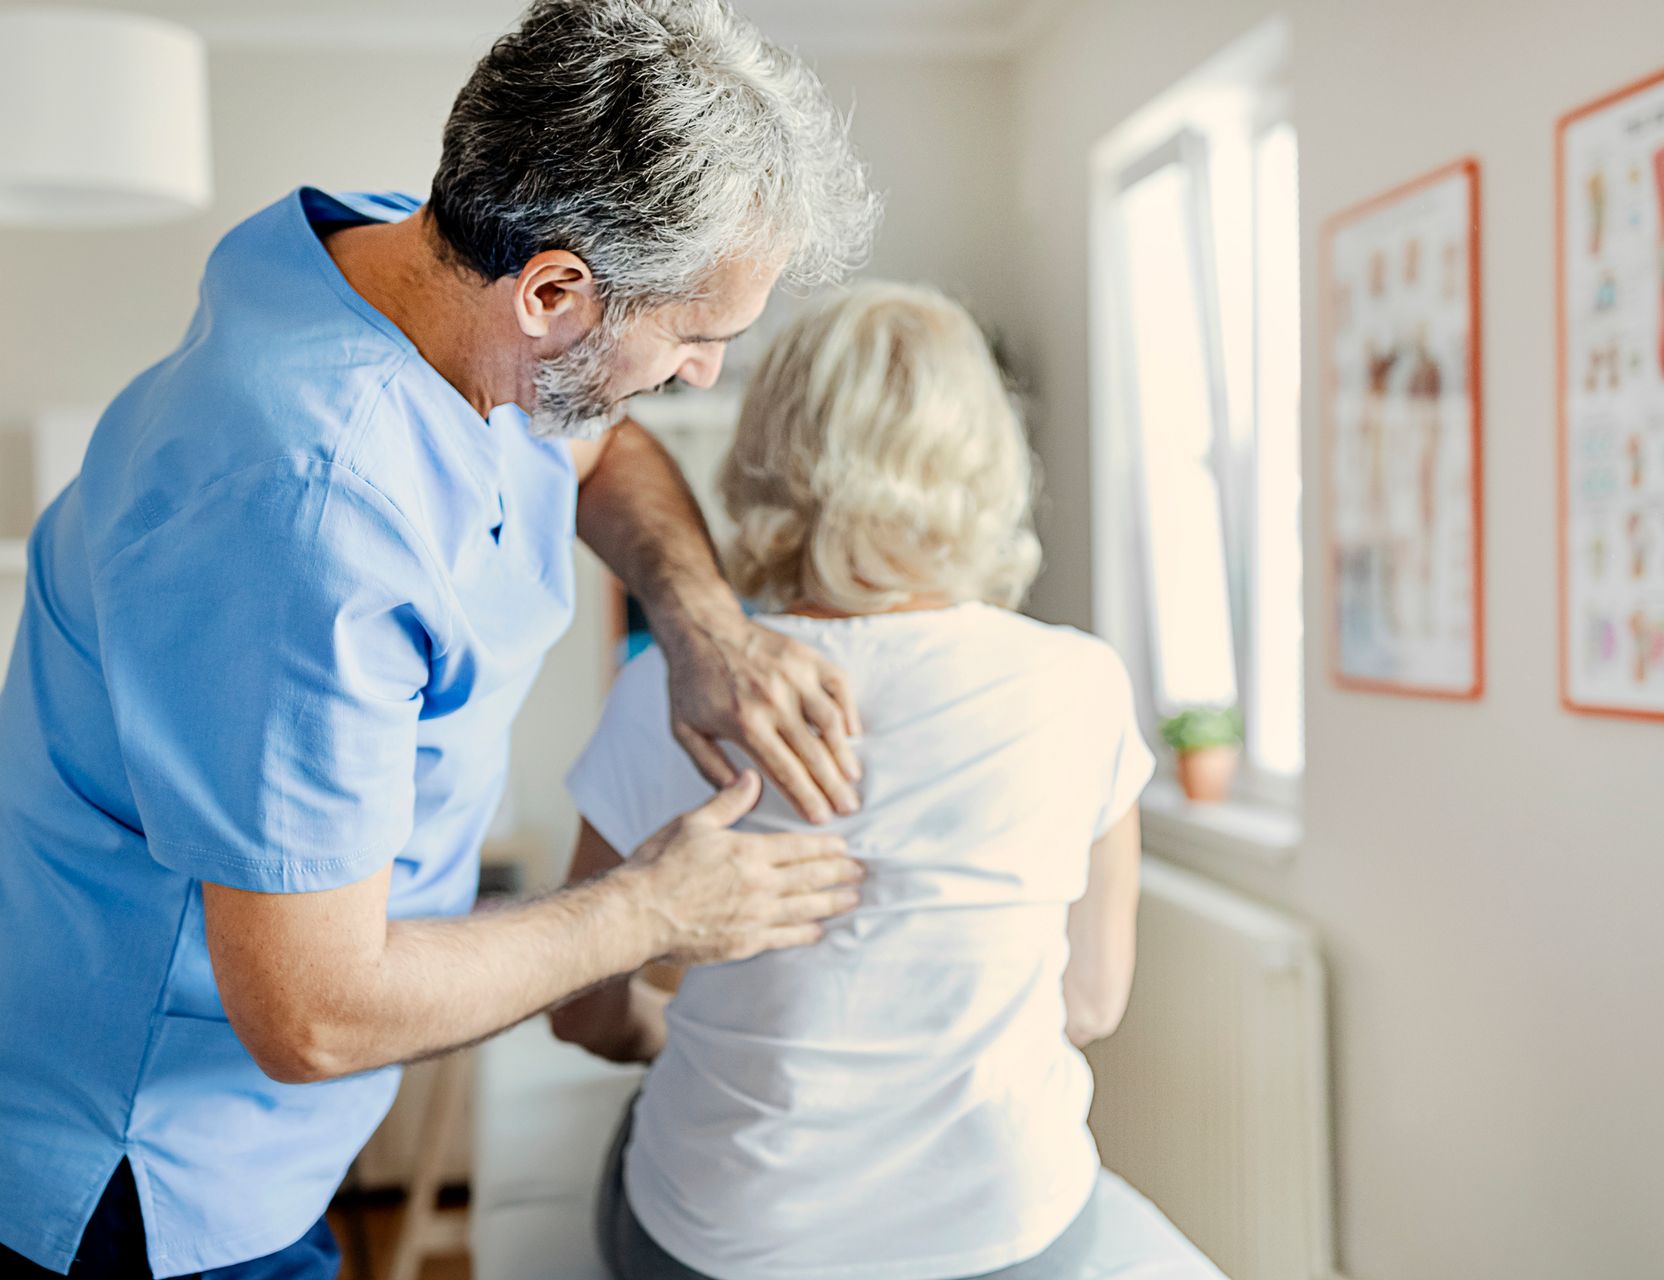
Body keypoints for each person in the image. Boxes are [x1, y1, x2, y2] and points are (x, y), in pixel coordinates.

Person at [0, 2, 881, 1275]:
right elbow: (312, 1009)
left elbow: (600, 443)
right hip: (142, 1163)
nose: (700, 378)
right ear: (558, 292)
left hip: (267, 1127)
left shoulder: (421, 259)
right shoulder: (308, 513)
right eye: (697, 338)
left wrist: (701, 620)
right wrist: (654, 904)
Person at [552, 283, 1155, 1280]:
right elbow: (1089, 1000)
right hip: (1010, 1235)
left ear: (766, 458)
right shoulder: (1082, 681)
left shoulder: (672, 686)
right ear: (986, 461)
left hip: (728, 1243)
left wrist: (669, 1034)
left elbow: (583, 1008)